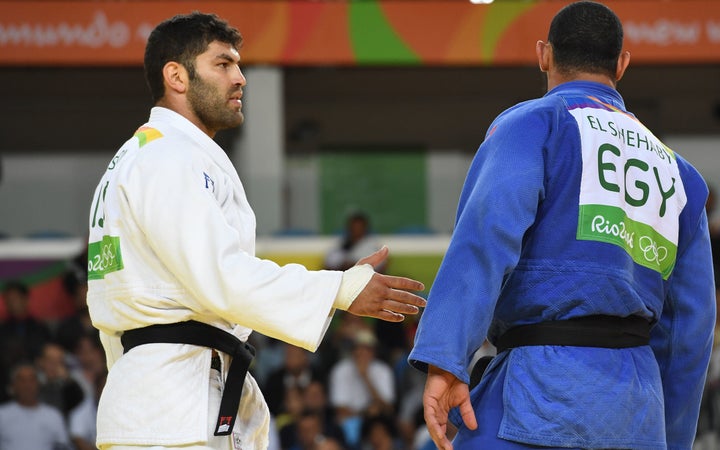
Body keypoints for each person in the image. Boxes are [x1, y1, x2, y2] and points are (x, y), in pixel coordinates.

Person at [85, 12, 426, 450]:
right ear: (177, 76)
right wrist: (339, 289)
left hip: (164, 395)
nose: (240, 78)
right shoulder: (166, 157)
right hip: (170, 407)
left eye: (239, 65)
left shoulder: (152, 154)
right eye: (223, 64)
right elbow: (223, 276)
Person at [408, 2, 715, 450]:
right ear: (622, 64)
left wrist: (445, 360)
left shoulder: (534, 125)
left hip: (539, 393)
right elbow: (691, 327)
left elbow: (485, 241)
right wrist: (669, 436)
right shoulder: (680, 174)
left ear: (544, 55)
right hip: (638, 409)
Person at [0, 363, 72, 450]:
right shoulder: (2, 415)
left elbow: (63, 446)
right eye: (22, 381)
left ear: (38, 384)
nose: (27, 385)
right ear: (13, 385)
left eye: (31, 380)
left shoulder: (53, 415)